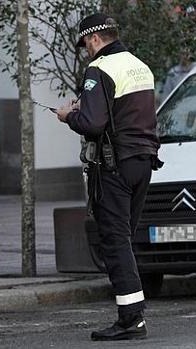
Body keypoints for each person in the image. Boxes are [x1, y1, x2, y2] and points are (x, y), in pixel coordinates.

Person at [55, 14, 161, 341]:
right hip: (143, 163)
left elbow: (92, 124)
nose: (86, 50)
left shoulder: (98, 69)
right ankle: (133, 313)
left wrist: (68, 115)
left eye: (86, 43)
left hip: (114, 166)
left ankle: (131, 318)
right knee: (124, 237)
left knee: (114, 240)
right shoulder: (140, 66)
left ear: (95, 39)